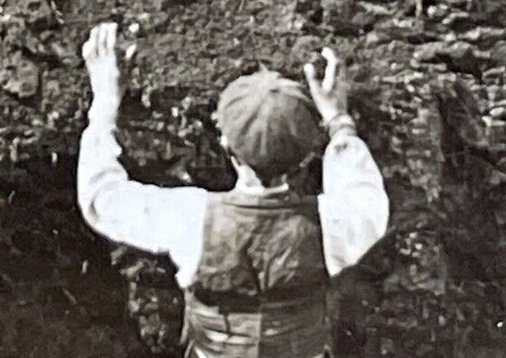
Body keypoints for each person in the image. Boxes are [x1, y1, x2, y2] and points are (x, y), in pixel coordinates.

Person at [78, 21, 389, 358]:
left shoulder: (192, 218)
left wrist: (105, 105)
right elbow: (363, 194)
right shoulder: (333, 224)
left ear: (224, 143)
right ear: (306, 157)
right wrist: (338, 119)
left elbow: (103, 198)